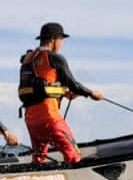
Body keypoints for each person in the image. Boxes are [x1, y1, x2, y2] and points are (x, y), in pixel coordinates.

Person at [18, 21, 102, 165]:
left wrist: (65, 94)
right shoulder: (55, 58)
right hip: (49, 118)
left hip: (31, 120)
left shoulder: (28, 59)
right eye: (61, 40)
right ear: (53, 39)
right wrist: (91, 93)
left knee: (38, 158)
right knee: (73, 154)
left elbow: (40, 87)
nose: (61, 44)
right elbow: (73, 84)